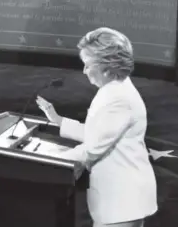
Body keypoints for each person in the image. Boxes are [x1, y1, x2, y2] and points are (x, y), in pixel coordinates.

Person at [36, 27, 157, 227]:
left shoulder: (118, 98)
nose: (84, 71)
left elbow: (93, 148)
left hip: (123, 201)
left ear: (106, 67)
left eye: (87, 65)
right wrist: (58, 120)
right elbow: (100, 135)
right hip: (121, 199)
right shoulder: (114, 88)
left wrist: (45, 160)